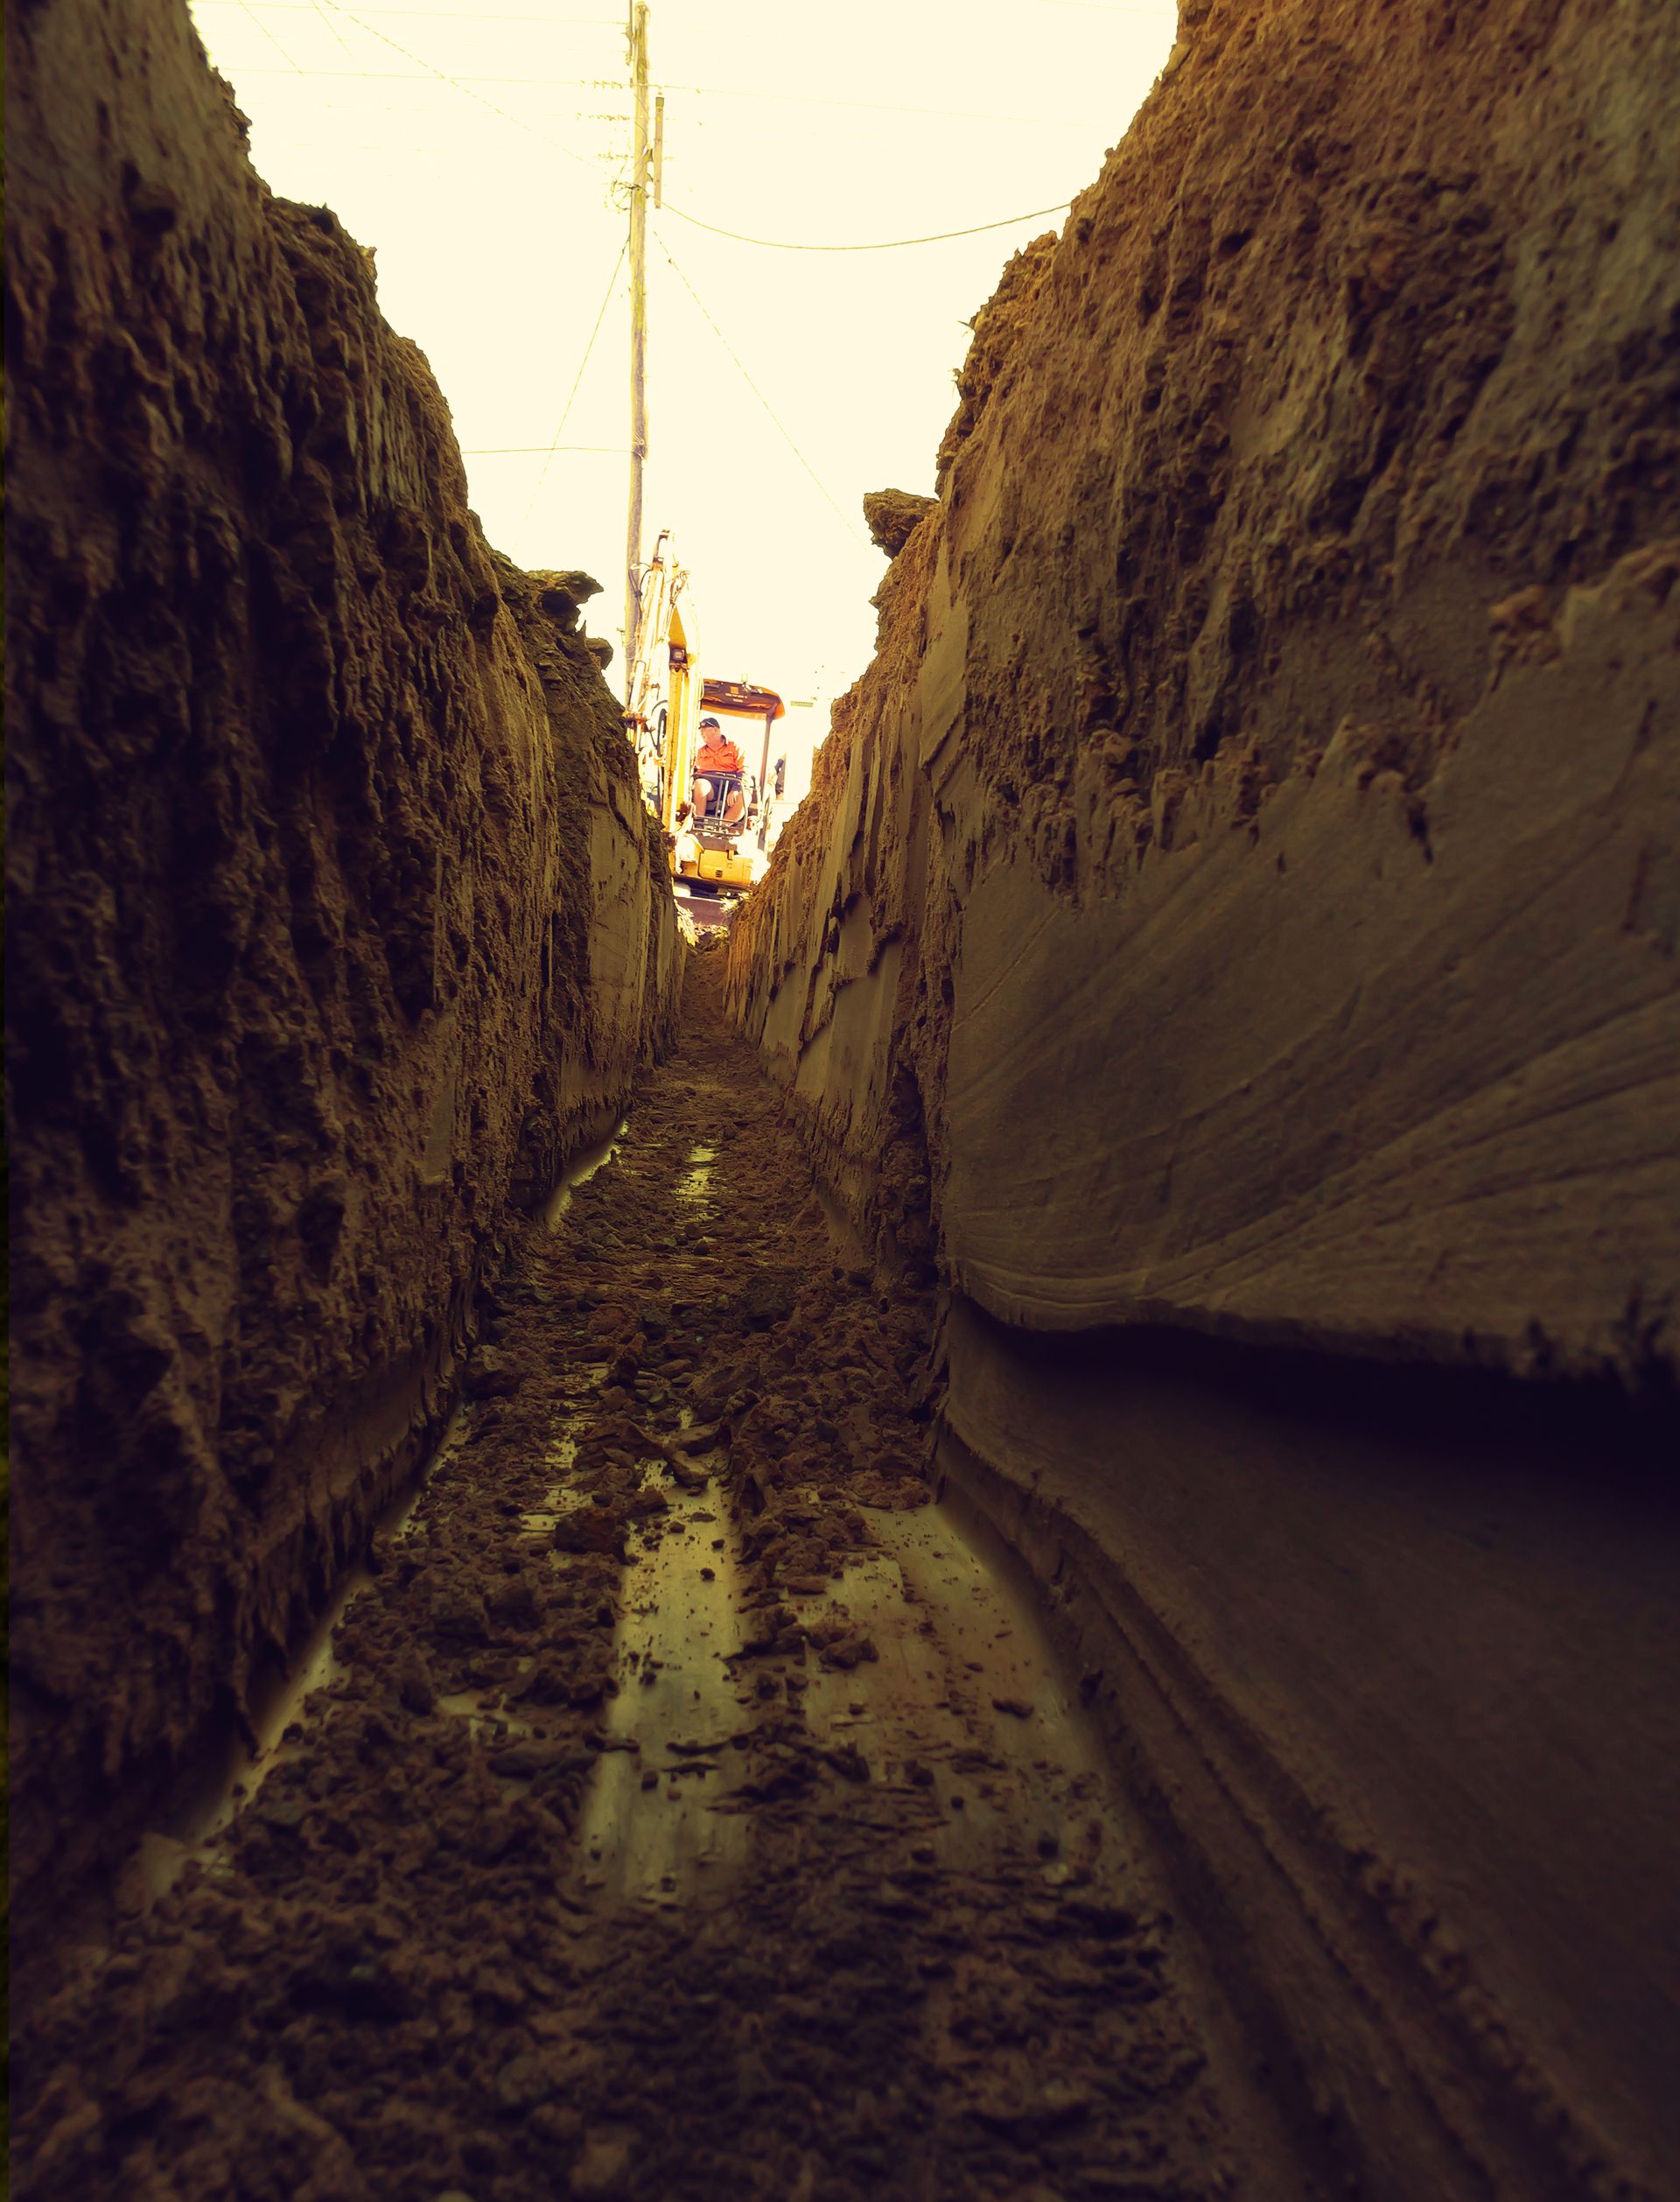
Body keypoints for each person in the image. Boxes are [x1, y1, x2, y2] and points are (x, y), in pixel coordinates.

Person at [692, 715, 746, 824]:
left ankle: (724, 827)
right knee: (700, 784)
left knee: (744, 797)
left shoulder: (734, 746)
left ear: (716, 730)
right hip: (712, 787)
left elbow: (744, 770)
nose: (702, 733)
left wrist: (735, 789)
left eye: (704, 730)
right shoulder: (701, 752)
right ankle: (698, 823)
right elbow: (697, 771)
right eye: (701, 731)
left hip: (732, 785)